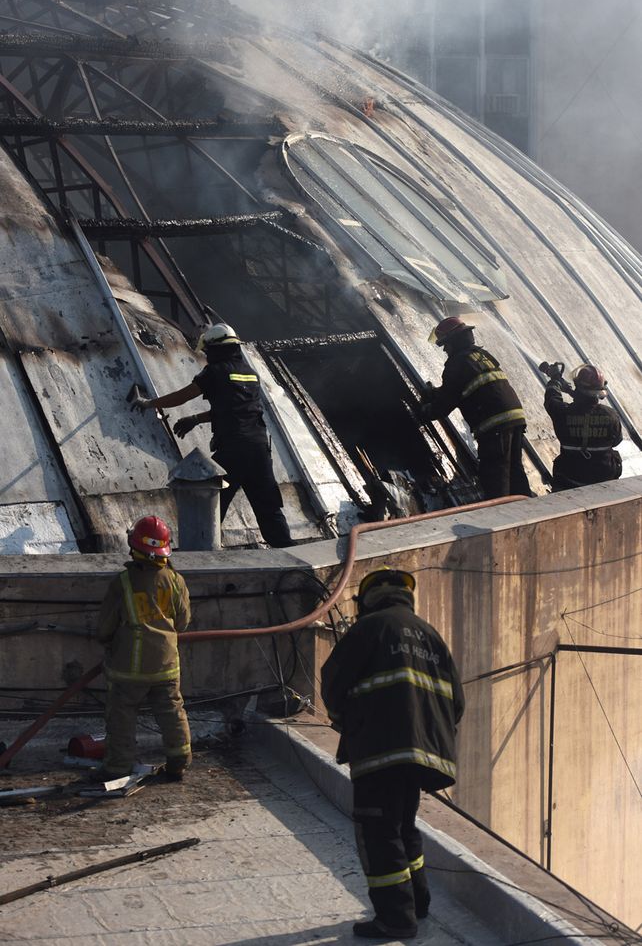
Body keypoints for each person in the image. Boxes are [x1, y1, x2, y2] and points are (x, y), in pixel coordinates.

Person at [321, 567, 465, 940]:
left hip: (379, 751)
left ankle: (395, 919)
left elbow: (333, 682)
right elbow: (458, 703)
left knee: (378, 834)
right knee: (403, 827)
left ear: (368, 599)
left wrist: (346, 722)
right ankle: (417, 904)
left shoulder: (369, 630)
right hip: (421, 755)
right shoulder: (432, 637)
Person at [133, 322, 293, 548]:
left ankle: (201, 554)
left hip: (233, 450)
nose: (207, 356)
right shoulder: (250, 374)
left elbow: (184, 396)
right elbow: (233, 409)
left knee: (208, 502)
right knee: (268, 507)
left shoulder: (215, 371)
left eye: (208, 351)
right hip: (259, 449)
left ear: (216, 349)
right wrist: (196, 419)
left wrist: (150, 403)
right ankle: (289, 555)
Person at [94, 515, 192, 782]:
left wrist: (107, 642)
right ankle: (178, 763)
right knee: (172, 713)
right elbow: (182, 622)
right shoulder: (175, 580)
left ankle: (117, 768)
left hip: (129, 669)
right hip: (166, 666)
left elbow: (105, 627)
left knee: (121, 718)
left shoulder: (122, 583)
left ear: (134, 546)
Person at [422, 316, 531, 499]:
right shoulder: (481, 355)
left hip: (494, 423)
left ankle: (501, 518)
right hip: (514, 417)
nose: (446, 349)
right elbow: (470, 386)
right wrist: (437, 392)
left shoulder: (456, 363)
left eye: (446, 345)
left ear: (454, 342)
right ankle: (528, 510)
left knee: (496, 474)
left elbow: (446, 403)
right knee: (514, 469)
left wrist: (425, 411)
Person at [543, 363, 622, 491]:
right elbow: (617, 441)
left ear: (578, 387)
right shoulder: (611, 415)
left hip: (569, 479)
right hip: (603, 480)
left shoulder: (563, 413)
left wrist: (555, 381)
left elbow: (552, 399)